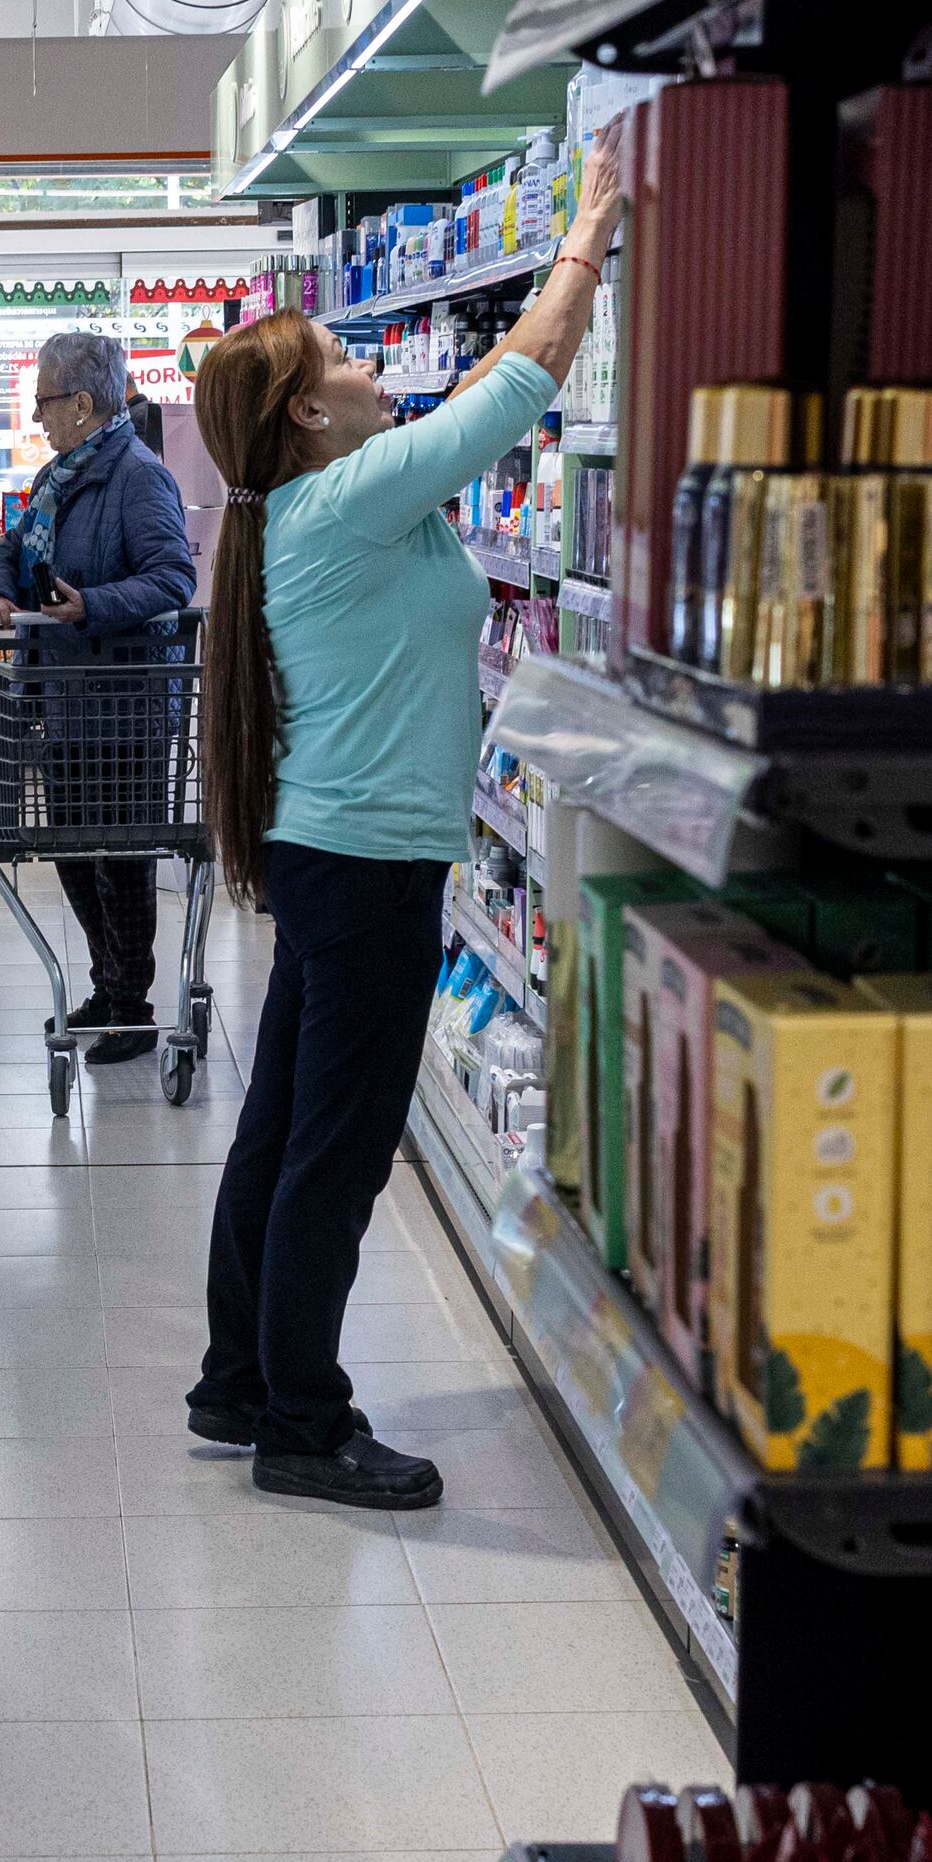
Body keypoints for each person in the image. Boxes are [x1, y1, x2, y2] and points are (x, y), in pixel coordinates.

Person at [193, 146, 624, 1507]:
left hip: (344, 856)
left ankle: (237, 1380)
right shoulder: (343, 498)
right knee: (337, 1144)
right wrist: (589, 230)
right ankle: (304, 1424)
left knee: (281, 1128)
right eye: (347, 359)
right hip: (368, 866)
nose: (376, 365)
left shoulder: (326, 498)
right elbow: (516, 387)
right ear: (307, 416)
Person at [0, 331, 196, 1060]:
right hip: (65, 702)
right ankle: (108, 983)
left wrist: (92, 603)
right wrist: (0, 595)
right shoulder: (59, 478)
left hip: (124, 709)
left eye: (44, 400)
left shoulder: (137, 476)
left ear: (81, 401)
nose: (36, 416)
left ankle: (131, 1004)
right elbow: (12, 551)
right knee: (72, 851)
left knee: (121, 858)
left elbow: (172, 578)